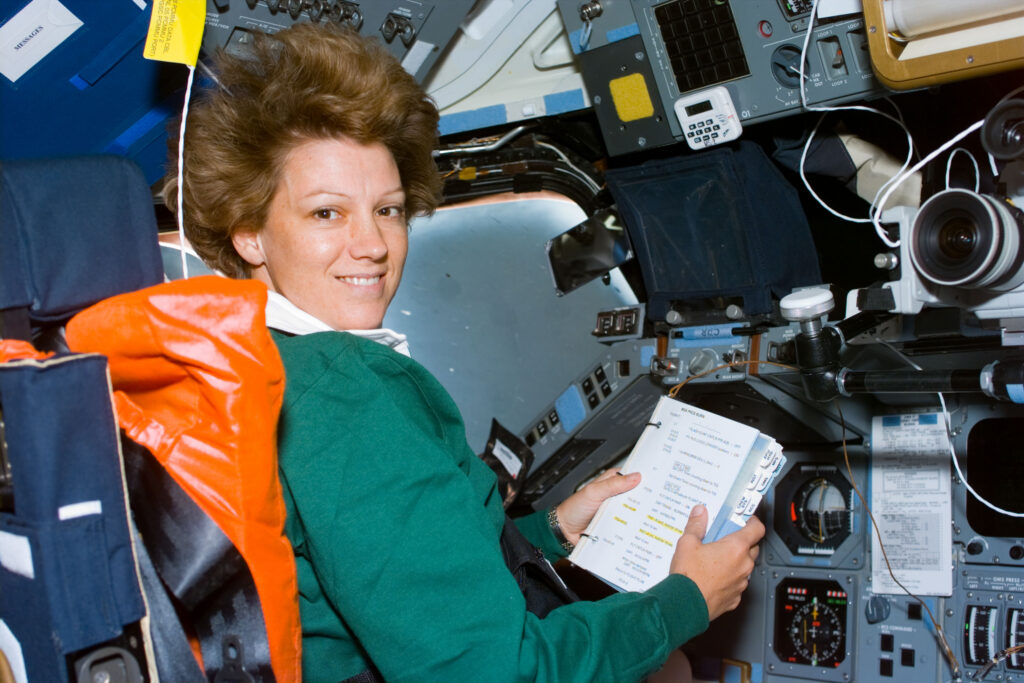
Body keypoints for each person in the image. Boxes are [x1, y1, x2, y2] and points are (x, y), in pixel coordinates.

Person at [163, 21, 765, 683]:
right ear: (249, 231)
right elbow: (492, 672)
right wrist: (686, 600)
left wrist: (554, 528)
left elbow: (391, 570)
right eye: (327, 214)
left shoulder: (260, 362)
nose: (372, 245)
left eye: (388, 210)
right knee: (671, 666)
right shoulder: (345, 391)